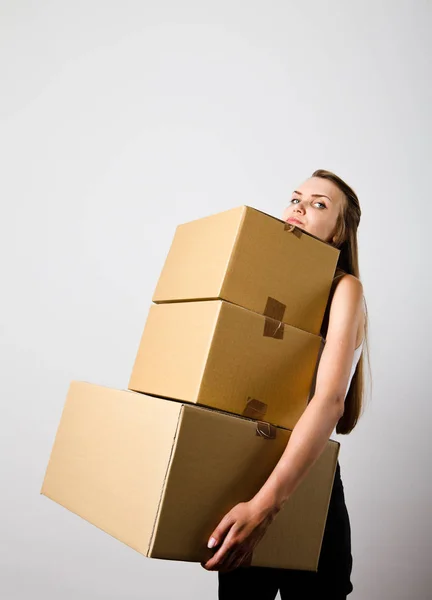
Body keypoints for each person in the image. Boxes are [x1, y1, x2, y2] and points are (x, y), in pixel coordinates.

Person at [201, 169, 370, 599]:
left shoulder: (344, 288)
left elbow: (330, 400)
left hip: (303, 482)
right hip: (249, 474)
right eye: (295, 199)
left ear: (338, 233)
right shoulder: (265, 287)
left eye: (318, 204)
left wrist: (264, 506)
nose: (299, 207)